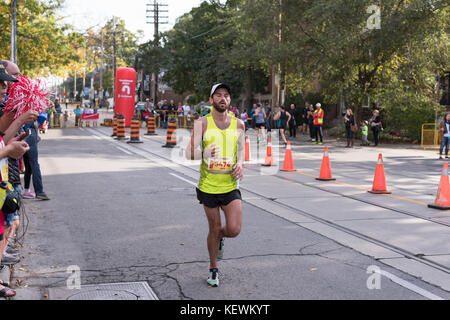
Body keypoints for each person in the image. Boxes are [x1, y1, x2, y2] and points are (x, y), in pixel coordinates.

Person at [186, 83, 245, 288]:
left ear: (230, 100)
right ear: (211, 100)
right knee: (214, 227)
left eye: (226, 95)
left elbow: (241, 152)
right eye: (218, 95)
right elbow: (188, 153)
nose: (222, 98)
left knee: (234, 229)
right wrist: (203, 153)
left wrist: (240, 164)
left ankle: (219, 237)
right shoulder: (201, 123)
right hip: (208, 187)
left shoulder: (239, 125)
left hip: (230, 186)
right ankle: (213, 268)